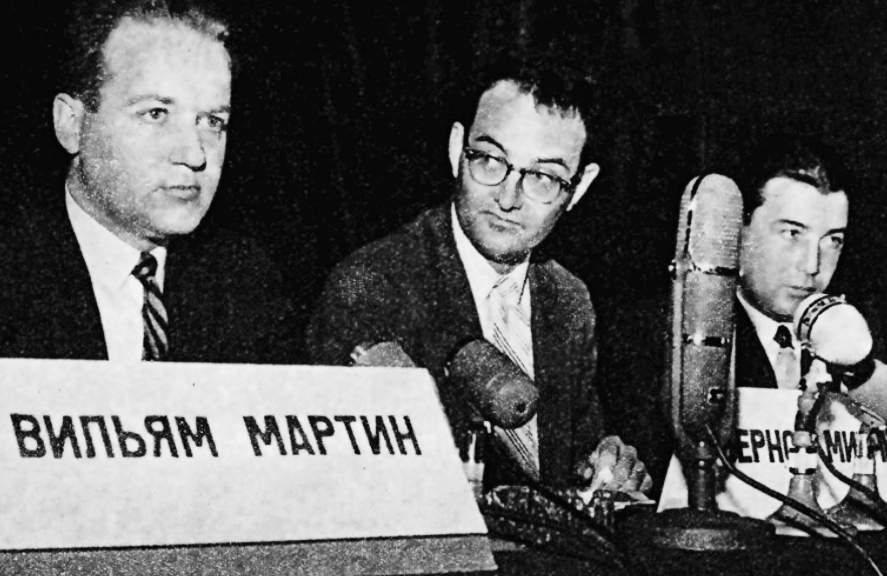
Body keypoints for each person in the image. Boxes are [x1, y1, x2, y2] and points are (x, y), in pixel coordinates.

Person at [306, 54, 652, 493]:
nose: (508, 198)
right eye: (490, 160)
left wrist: (606, 467)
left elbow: (573, 465)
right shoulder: (370, 285)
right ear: (456, 148)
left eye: (544, 178)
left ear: (579, 188)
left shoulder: (569, 299)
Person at [0, 0, 298, 363]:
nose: (195, 155)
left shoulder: (244, 282)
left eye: (212, 122)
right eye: (156, 114)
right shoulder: (13, 275)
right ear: (72, 124)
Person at [732, 135, 887, 411]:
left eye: (832, 240)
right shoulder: (674, 345)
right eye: (792, 233)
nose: (812, 265)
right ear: (739, 232)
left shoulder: (862, 345)